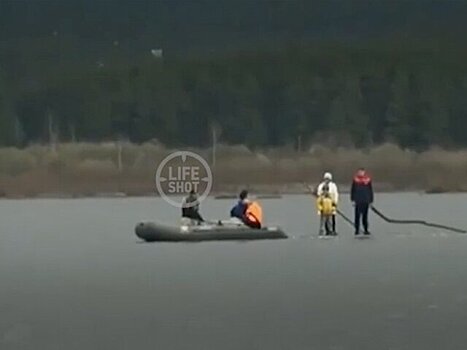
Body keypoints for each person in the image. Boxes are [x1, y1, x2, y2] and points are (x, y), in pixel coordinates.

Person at [350, 168, 374, 235]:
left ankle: (366, 229)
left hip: (365, 201)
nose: (361, 173)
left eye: (362, 172)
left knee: (365, 217)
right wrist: (352, 200)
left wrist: (371, 201)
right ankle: (357, 230)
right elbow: (353, 190)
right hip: (358, 201)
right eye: (360, 172)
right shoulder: (355, 180)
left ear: (364, 172)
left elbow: (370, 191)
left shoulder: (368, 180)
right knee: (357, 216)